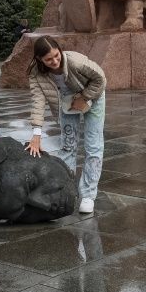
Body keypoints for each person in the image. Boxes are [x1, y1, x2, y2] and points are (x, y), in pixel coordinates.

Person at [27, 36, 106, 215]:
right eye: (49, 59)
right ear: (40, 59)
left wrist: (84, 97)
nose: (55, 61)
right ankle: (65, 189)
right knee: (68, 146)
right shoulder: (35, 73)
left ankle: (88, 195)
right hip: (66, 102)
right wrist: (36, 134)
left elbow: (100, 79)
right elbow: (37, 102)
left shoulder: (75, 62)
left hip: (92, 96)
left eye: (57, 55)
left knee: (93, 146)